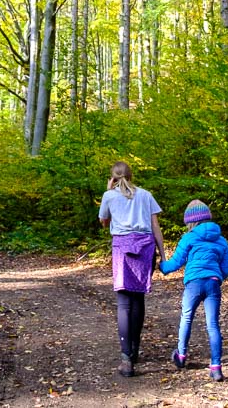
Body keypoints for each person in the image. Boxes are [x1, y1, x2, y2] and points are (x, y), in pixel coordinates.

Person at [98, 161, 165, 377]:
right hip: (145, 247)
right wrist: (163, 255)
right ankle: (134, 350)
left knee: (124, 302)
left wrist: (109, 192)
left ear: (113, 177)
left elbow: (103, 222)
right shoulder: (146, 195)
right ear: (131, 175)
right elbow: (155, 226)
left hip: (122, 246)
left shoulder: (109, 196)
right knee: (138, 299)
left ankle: (126, 357)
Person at [159, 199, 228, 382]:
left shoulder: (189, 237)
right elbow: (226, 268)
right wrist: (217, 276)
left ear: (191, 221)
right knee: (213, 324)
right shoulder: (221, 240)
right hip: (213, 283)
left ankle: (181, 356)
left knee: (187, 317)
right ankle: (216, 367)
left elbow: (175, 262)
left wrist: (162, 267)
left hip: (194, 283)